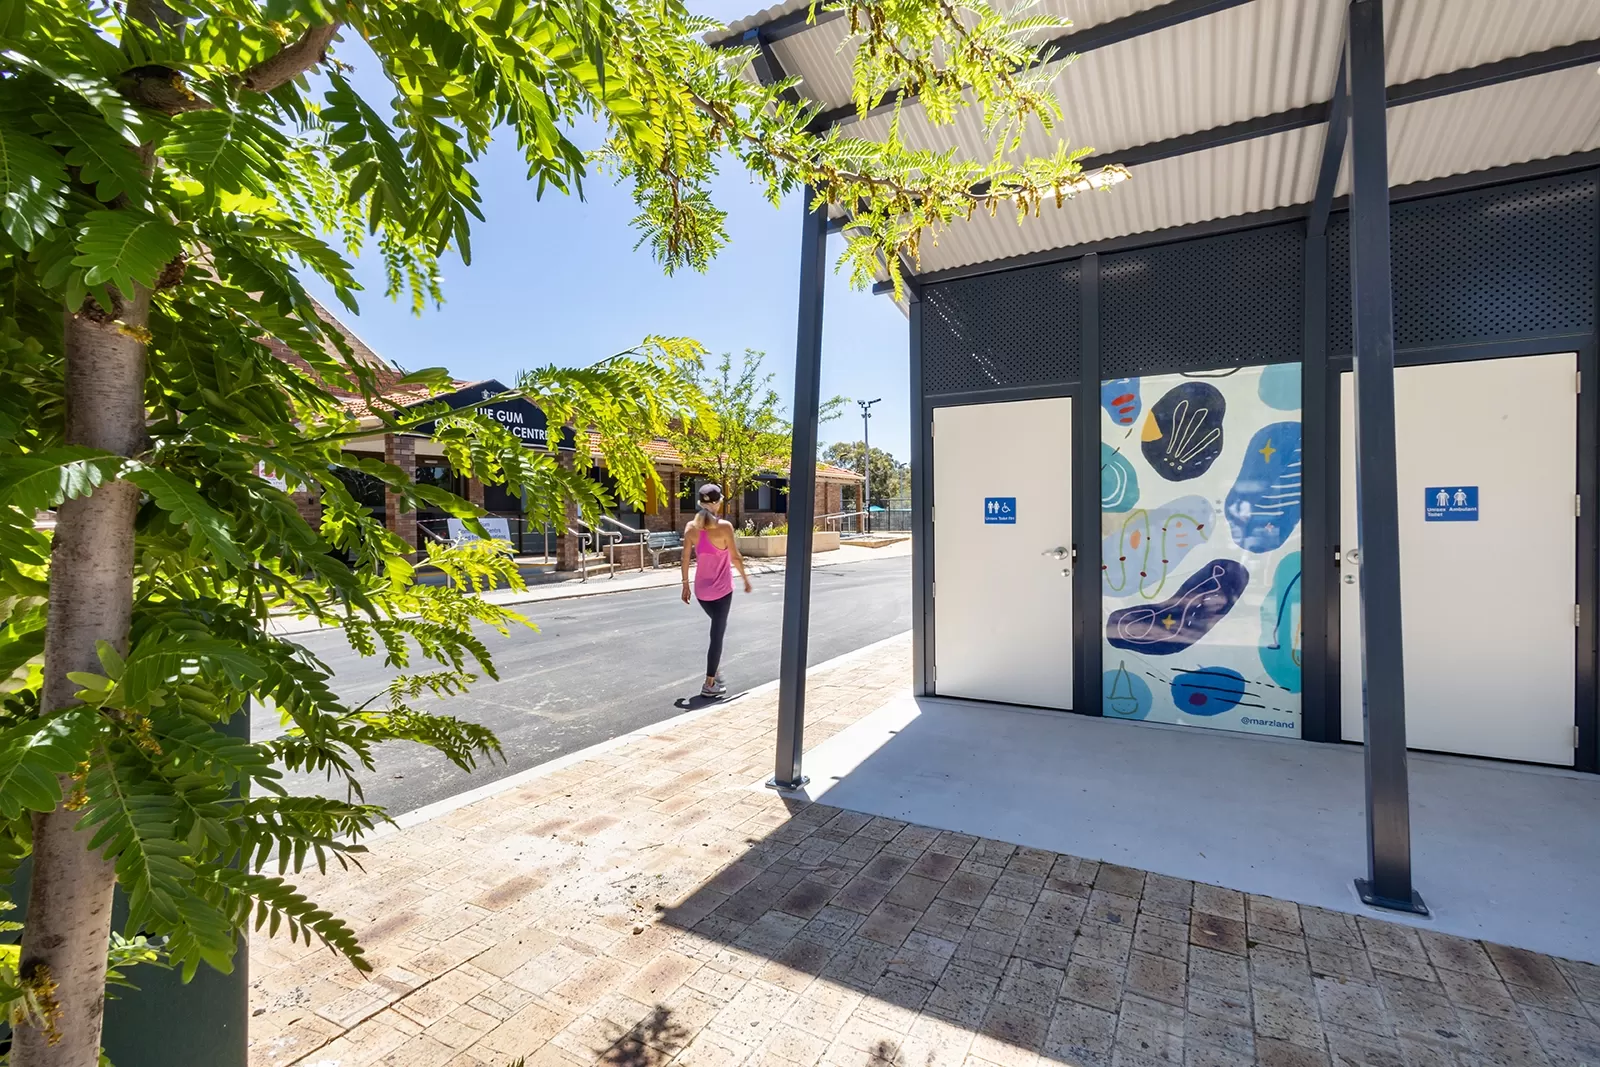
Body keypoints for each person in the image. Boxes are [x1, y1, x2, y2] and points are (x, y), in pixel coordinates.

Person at [681, 483, 752, 698]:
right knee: (717, 635)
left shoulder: (690, 528)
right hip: (722, 591)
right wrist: (746, 580)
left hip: (701, 592)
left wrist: (685, 585)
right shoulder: (725, 527)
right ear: (718, 503)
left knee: (716, 628)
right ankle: (709, 683)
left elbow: (685, 558)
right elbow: (735, 557)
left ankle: (715, 668)